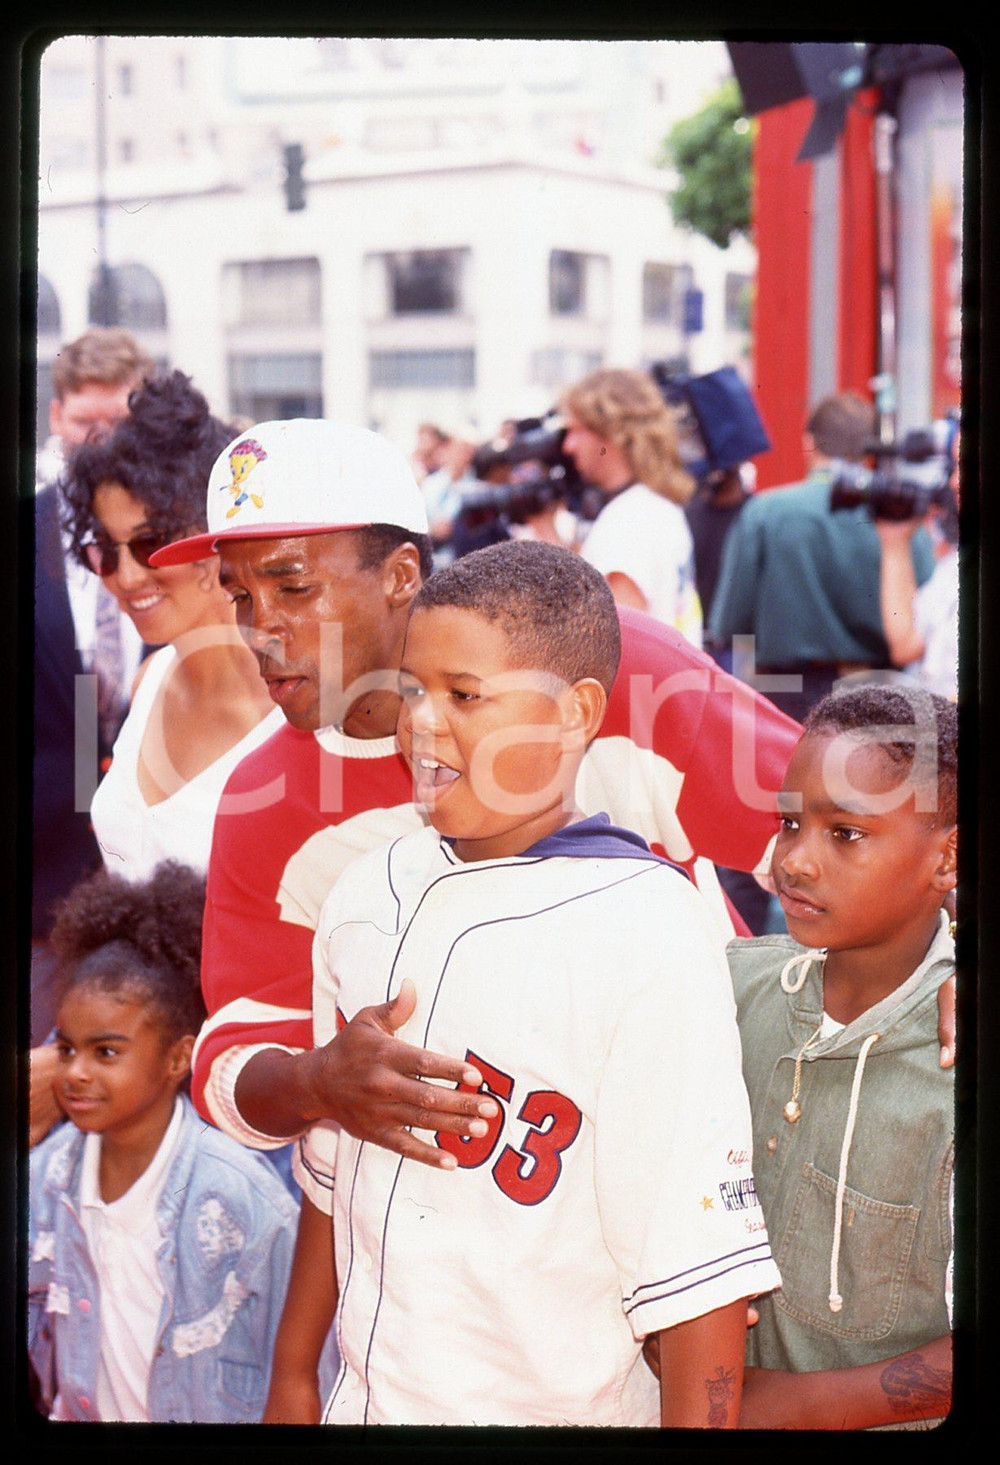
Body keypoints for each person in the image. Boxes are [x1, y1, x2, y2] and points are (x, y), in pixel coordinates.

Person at [145, 415, 803, 1164]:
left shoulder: (610, 668)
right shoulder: (264, 799)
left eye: (293, 585)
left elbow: (855, 830)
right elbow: (234, 1058)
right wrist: (317, 1082)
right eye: (238, 596)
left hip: (702, 1169)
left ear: (399, 575)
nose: (260, 628)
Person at [264, 541, 781, 1427]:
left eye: (465, 696)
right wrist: (291, 1378)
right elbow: (331, 1168)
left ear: (576, 711)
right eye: (413, 688)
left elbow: (696, 1268)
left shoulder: (646, 924)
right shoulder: (361, 894)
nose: (424, 723)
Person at [729, 685, 956, 1428]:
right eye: (790, 822)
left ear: (947, 856)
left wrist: (794, 1407)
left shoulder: (953, 1060)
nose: (793, 860)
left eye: (845, 834)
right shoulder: (727, 990)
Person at [27, 861, 299, 1423]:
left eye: (106, 1052)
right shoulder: (48, 1175)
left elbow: (297, 1367)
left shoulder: (241, 1198)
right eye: (68, 1049)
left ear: (179, 1058)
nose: (74, 1073)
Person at [60, 369, 284, 880]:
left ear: (219, 534)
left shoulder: (302, 707)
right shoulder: (149, 680)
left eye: (151, 543)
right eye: (106, 552)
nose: (128, 576)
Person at [32, 327, 153, 1048]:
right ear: (55, 418)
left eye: (119, 424)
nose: (103, 442)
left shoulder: (182, 536)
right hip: (43, 880)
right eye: (87, 425)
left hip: (153, 882)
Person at [709, 392, 937, 722]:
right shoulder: (898, 514)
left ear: (809, 441)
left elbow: (731, 620)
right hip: (881, 695)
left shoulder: (764, 512)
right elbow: (926, 617)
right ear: (869, 446)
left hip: (786, 694)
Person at [561, 366, 703, 644]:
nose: (568, 446)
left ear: (612, 433)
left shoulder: (628, 520)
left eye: (577, 430)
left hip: (640, 687)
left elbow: (621, 645)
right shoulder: (656, 508)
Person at [877, 427, 960, 702]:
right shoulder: (958, 565)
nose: (954, 483)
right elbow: (906, 643)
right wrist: (895, 542)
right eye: (955, 466)